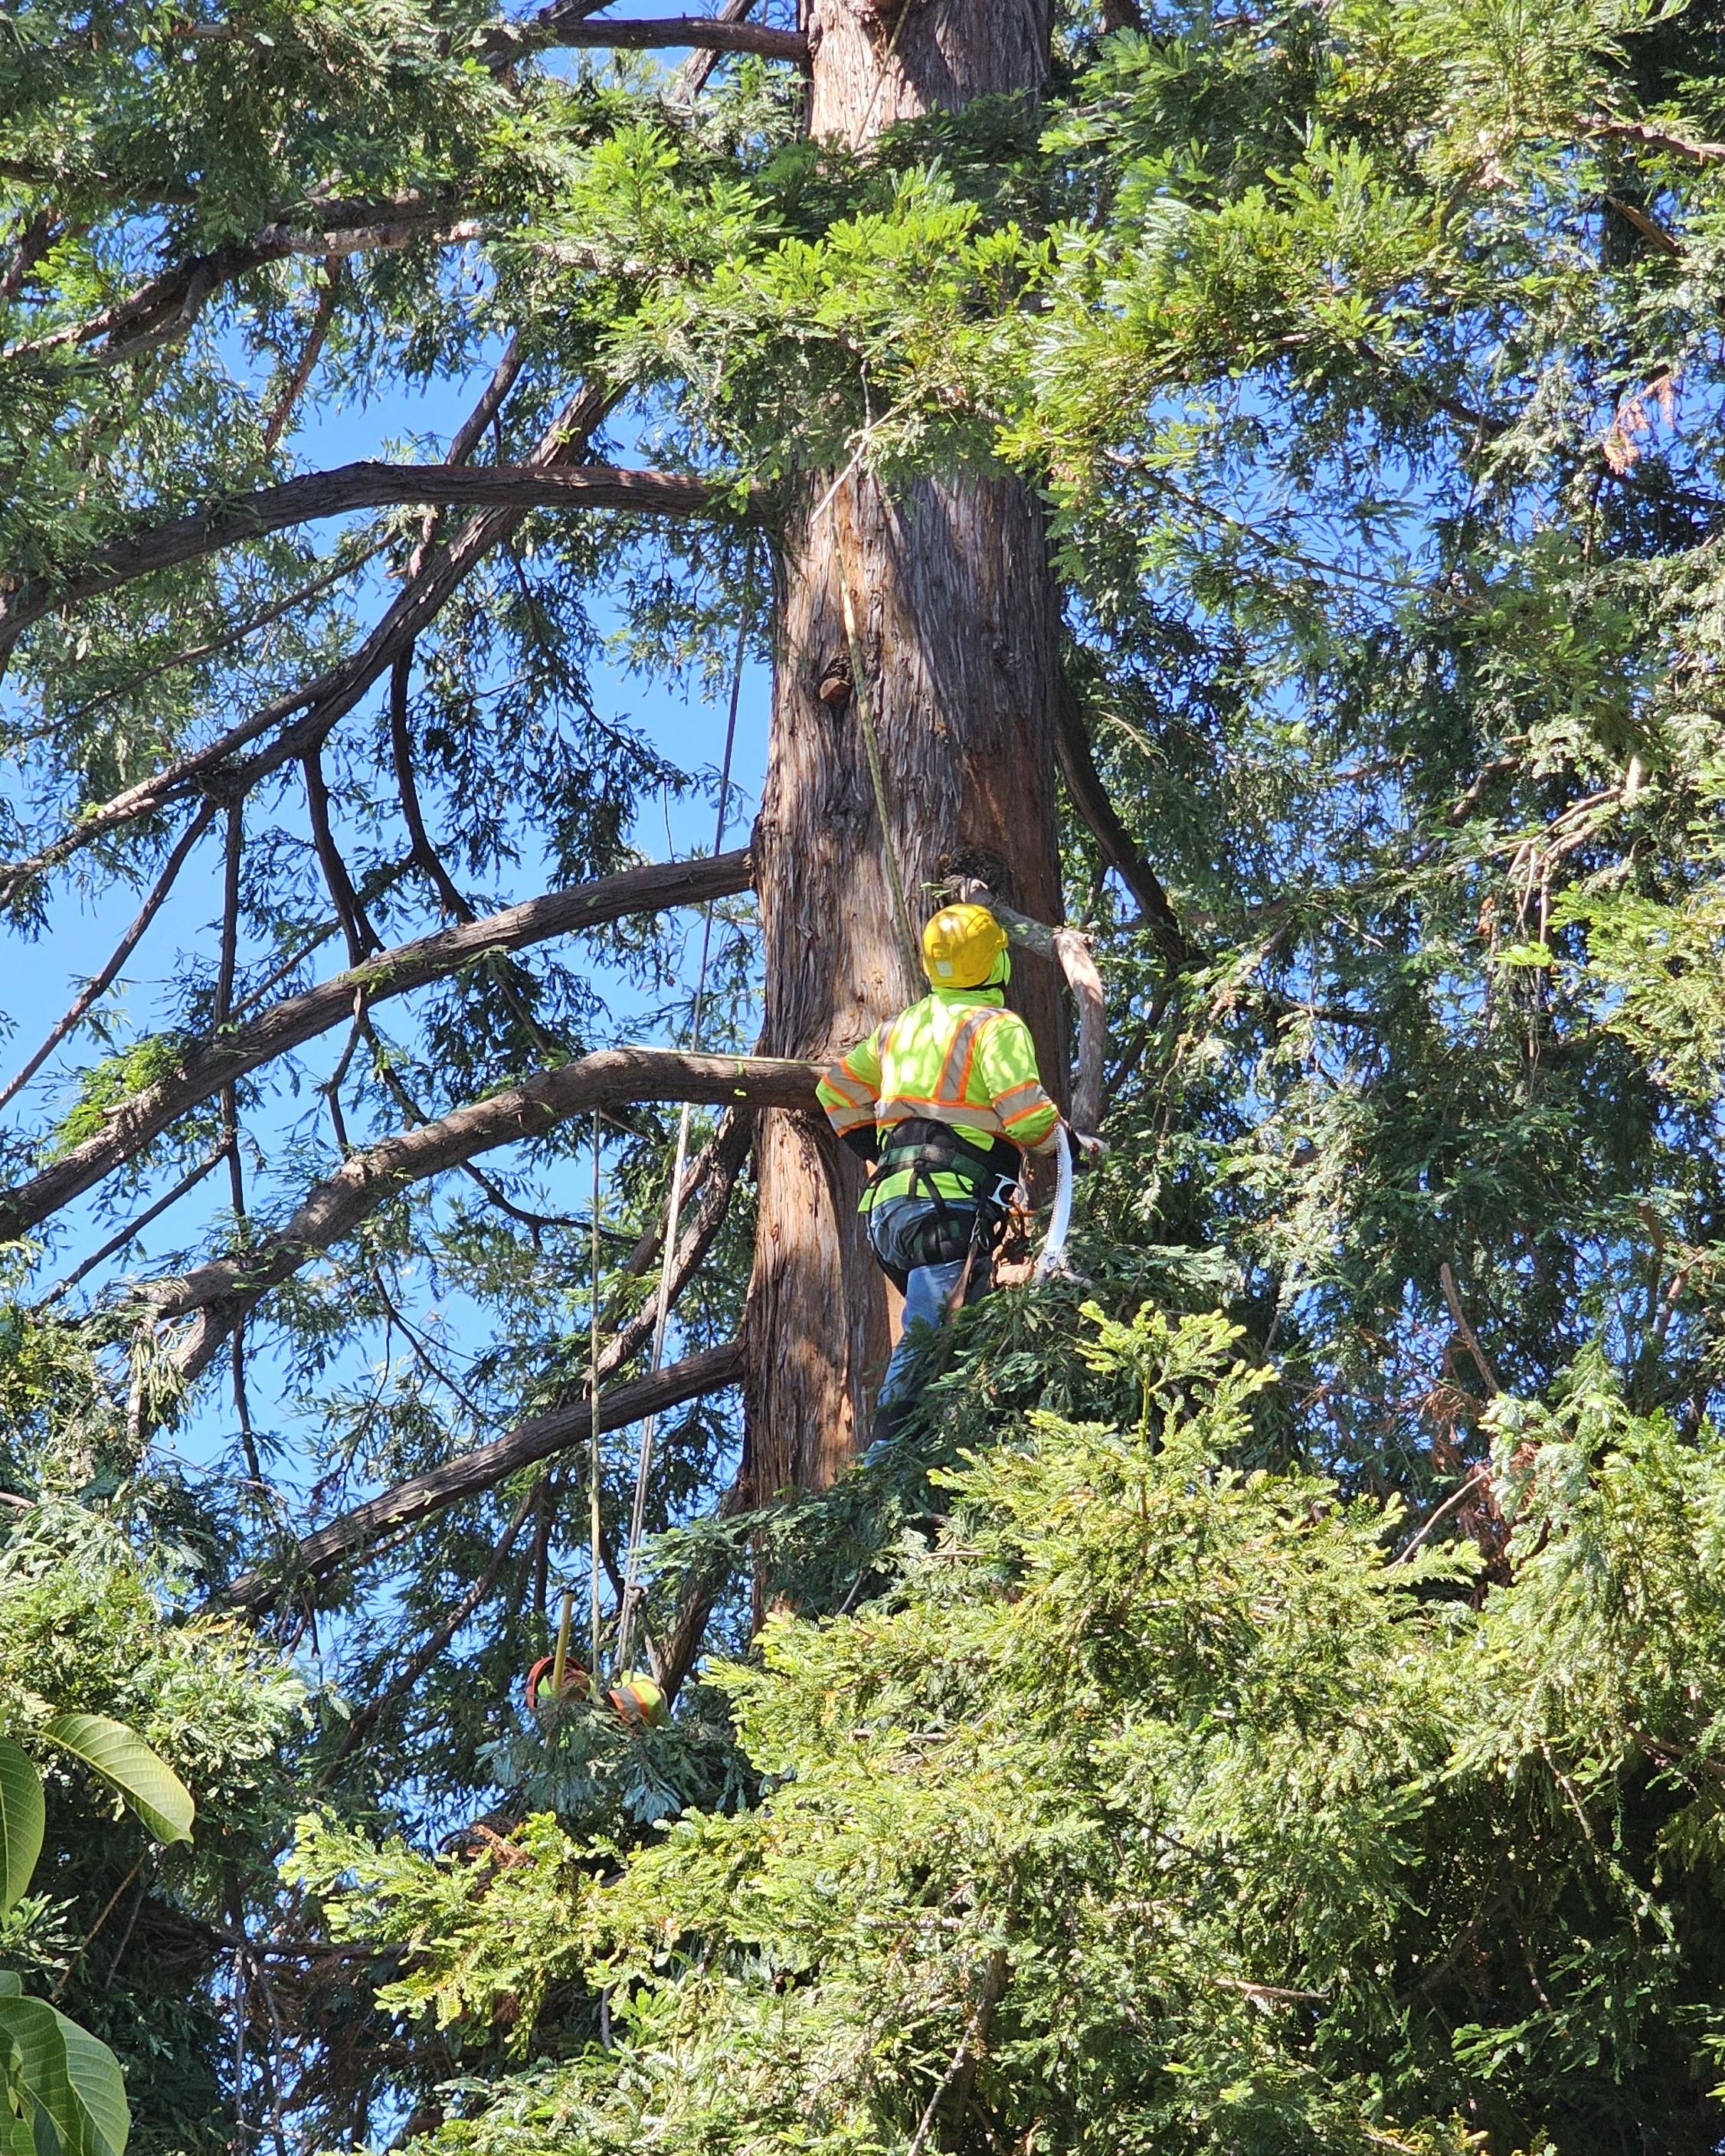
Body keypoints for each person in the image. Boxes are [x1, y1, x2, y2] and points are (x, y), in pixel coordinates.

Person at [817, 901, 1062, 1448]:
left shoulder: (900, 1028)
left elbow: (833, 1091)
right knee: (927, 1343)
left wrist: (877, 1153)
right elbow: (1025, 1116)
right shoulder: (995, 1027)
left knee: (954, 1336)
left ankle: (941, 1452)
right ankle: (884, 1471)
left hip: (889, 1219)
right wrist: (1068, 1146)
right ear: (997, 963)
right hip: (944, 1214)